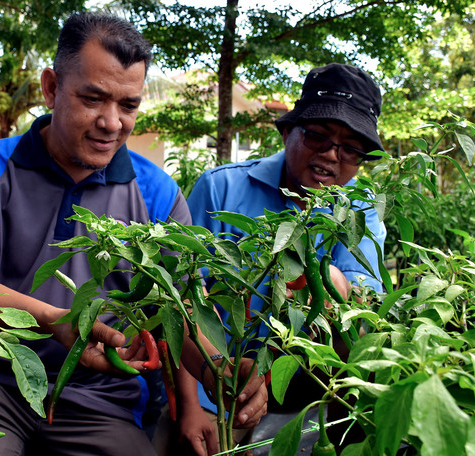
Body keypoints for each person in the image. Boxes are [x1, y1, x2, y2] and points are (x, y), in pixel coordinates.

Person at [0, 12, 266, 456]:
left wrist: (217, 371)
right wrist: (62, 324)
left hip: (98, 397)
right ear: (52, 87)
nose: (112, 123)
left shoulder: (157, 193)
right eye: (93, 98)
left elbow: (178, 311)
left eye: (128, 105)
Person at [157, 63, 387, 455]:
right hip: (216, 386)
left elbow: (363, 317)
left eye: (351, 148)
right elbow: (176, 302)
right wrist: (191, 406)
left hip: (311, 398)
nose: (331, 155)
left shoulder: (359, 209)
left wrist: (331, 285)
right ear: (286, 132)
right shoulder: (221, 189)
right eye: (318, 136)